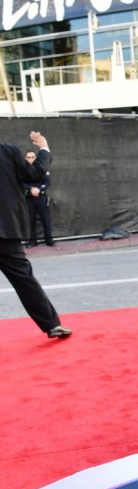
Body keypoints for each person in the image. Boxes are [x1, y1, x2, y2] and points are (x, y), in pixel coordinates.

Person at [0, 131, 72, 339]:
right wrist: (43, 149)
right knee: (24, 280)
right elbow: (36, 174)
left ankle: (52, 324)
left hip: (6, 230)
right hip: (6, 230)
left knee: (25, 279)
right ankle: (52, 325)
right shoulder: (8, 151)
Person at [24, 149, 55, 247]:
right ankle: (33, 241)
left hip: (41, 197)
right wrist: (30, 189)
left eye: (33, 157)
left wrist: (39, 189)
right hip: (29, 198)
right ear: (25, 159)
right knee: (30, 220)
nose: (31, 159)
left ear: (36, 158)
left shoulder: (42, 167)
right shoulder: (22, 170)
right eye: (28, 157)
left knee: (45, 218)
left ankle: (49, 240)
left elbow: (47, 181)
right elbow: (21, 183)